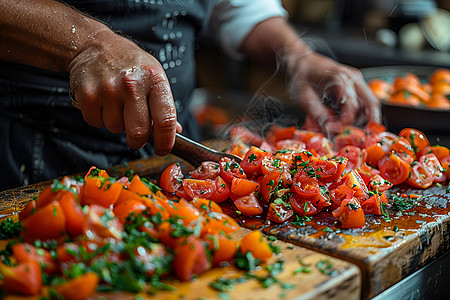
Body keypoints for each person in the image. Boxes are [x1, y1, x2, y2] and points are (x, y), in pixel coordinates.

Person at [0, 0, 380, 191]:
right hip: (26, 149)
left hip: (173, 152)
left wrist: (296, 55)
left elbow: (238, 7)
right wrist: (86, 43)